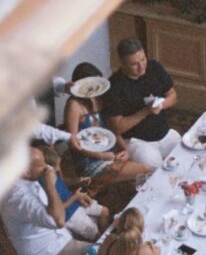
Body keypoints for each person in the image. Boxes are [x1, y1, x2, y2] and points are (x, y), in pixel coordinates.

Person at [64, 62, 151, 190]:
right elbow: (73, 143)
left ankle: (138, 196)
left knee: (143, 164)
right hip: (89, 161)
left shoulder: (101, 99)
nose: (98, 89)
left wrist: (124, 149)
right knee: (145, 169)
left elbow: (112, 128)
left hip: (109, 152)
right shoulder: (74, 105)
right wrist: (101, 156)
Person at [0, 146, 92, 255]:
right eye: (41, 165)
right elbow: (57, 221)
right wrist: (50, 187)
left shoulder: (22, 177)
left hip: (56, 234)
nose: (47, 168)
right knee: (100, 252)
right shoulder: (17, 197)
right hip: (46, 250)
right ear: (26, 172)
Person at [103, 38, 180, 168]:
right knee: (156, 169)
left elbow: (173, 96)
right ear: (122, 64)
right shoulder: (114, 86)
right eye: (134, 64)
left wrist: (160, 105)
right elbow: (117, 127)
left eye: (143, 59)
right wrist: (145, 111)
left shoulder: (154, 67)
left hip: (164, 132)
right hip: (137, 140)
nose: (142, 66)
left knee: (185, 157)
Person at [36, 144, 109, 241]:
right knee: (95, 234)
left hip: (76, 201)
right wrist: (75, 197)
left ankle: (106, 235)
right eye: (56, 166)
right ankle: (102, 242)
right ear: (47, 168)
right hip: (69, 215)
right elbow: (56, 211)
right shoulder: (42, 187)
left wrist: (78, 180)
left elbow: (63, 182)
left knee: (105, 211)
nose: (59, 168)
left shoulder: (53, 173)